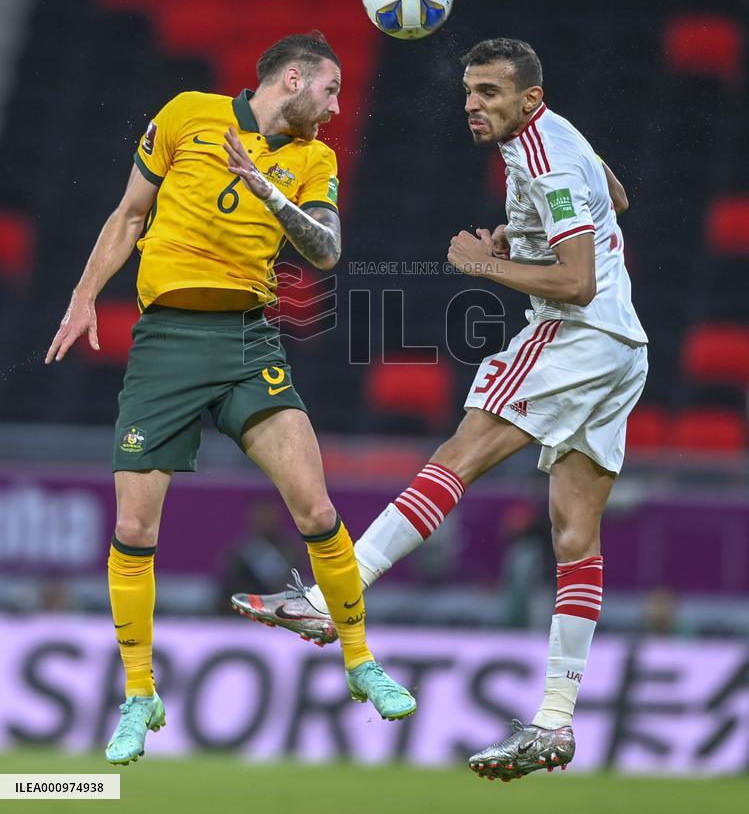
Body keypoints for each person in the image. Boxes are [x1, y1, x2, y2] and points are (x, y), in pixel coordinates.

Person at [232, 38, 648, 782]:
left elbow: (579, 281)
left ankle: (334, 599)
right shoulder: (557, 136)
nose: (471, 105)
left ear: (526, 98)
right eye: (467, 92)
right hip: (624, 352)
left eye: (489, 92)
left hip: (579, 335)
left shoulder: (544, 157)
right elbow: (614, 198)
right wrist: (521, 241)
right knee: (572, 534)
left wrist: (485, 263)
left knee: (454, 458)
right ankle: (554, 722)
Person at [44, 32, 416, 766]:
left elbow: (326, 251)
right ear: (292, 79)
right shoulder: (186, 114)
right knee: (134, 527)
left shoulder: (313, 160)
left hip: (249, 341)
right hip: (167, 343)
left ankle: (359, 660)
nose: (337, 109)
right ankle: (139, 694)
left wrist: (267, 190)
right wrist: (84, 295)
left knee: (313, 506)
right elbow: (127, 215)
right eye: (329, 92)